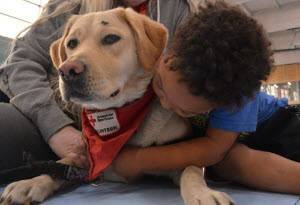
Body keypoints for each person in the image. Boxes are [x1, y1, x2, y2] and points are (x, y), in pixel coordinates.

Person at [113, 2, 300, 195]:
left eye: (186, 111)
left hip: (280, 127)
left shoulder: (235, 94)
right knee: (228, 162)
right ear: (168, 57)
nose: (165, 104)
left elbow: (213, 149)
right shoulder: (155, 59)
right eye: (160, 86)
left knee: (231, 161)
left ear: (222, 105)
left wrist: (139, 159)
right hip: (235, 148)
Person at [0, 0, 196, 171]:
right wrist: (56, 128)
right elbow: (20, 62)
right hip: (56, 117)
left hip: (145, 122)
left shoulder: (180, 11)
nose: (70, 66)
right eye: (73, 44)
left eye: (110, 38)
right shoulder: (69, 5)